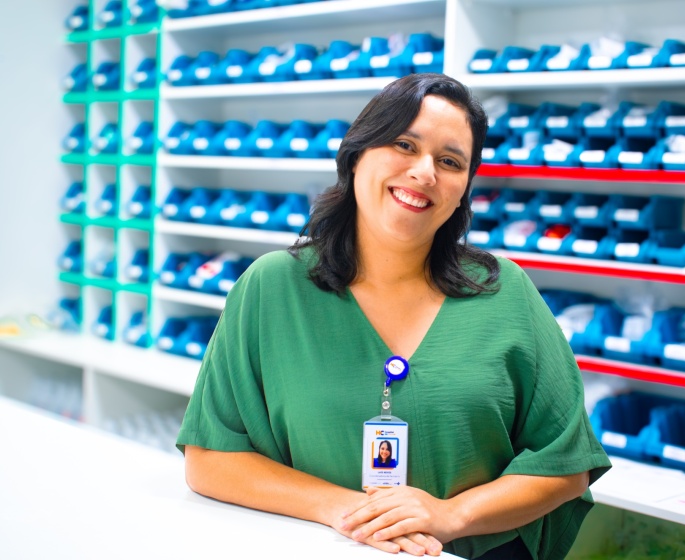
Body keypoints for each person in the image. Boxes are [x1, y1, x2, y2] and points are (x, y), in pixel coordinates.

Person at [176, 72, 611, 560]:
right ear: (357, 153)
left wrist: (452, 515)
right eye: (405, 144)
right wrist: (346, 510)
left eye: (450, 161)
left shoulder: (504, 291)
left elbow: (566, 464)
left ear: (463, 188)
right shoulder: (272, 288)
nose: (425, 172)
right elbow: (211, 457)